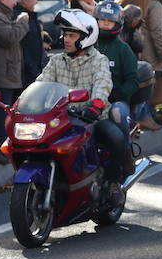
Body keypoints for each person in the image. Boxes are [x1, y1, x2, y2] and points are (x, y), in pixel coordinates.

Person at [35, 10, 128, 205]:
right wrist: (27, 102)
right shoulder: (56, 61)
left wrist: (96, 105)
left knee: (117, 139)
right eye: (65, 35)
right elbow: (41, 83)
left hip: (93, 117)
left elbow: (103, 83)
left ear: (85, 38)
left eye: (71, 35)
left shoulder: (98, 60)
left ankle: (113, 183)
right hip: (61, 119)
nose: (65, 39)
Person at [0, 0, 30, 165]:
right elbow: (9, 37)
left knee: (3, 116)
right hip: (0, 76)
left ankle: (0, 149)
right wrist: (22, 22)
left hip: (6, 74)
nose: (15, 2)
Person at [93, 1, 138, 142]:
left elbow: (133, 81)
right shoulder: (87, 45)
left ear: (117, 24)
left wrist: (118, 93)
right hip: (88, 100)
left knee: (118, 112)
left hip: (115, 102)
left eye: (110, 21)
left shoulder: (123, 49)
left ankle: (125, 156)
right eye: (102, 20)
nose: (106, 23)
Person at [14, 0, 49, 89]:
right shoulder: (20, 17)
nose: (37, 2)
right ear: (24, 1)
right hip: (26, 74)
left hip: (33, 71)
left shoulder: (30, 16)